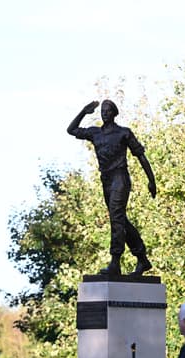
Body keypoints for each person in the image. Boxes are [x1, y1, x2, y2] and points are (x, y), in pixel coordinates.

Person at [67, 99, 157, 276]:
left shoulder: (124, 133)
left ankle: (115, 261)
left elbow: (141, 156)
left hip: (120, 178)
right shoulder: (95, 133)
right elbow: (71, 130)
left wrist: (151, 180)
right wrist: (84, 111)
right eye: (102, 110)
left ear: (114, 113)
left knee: (116, 219)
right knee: (120, 219)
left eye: (108, 110)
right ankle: (142, 259)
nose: (104, 113)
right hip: (106, 180)